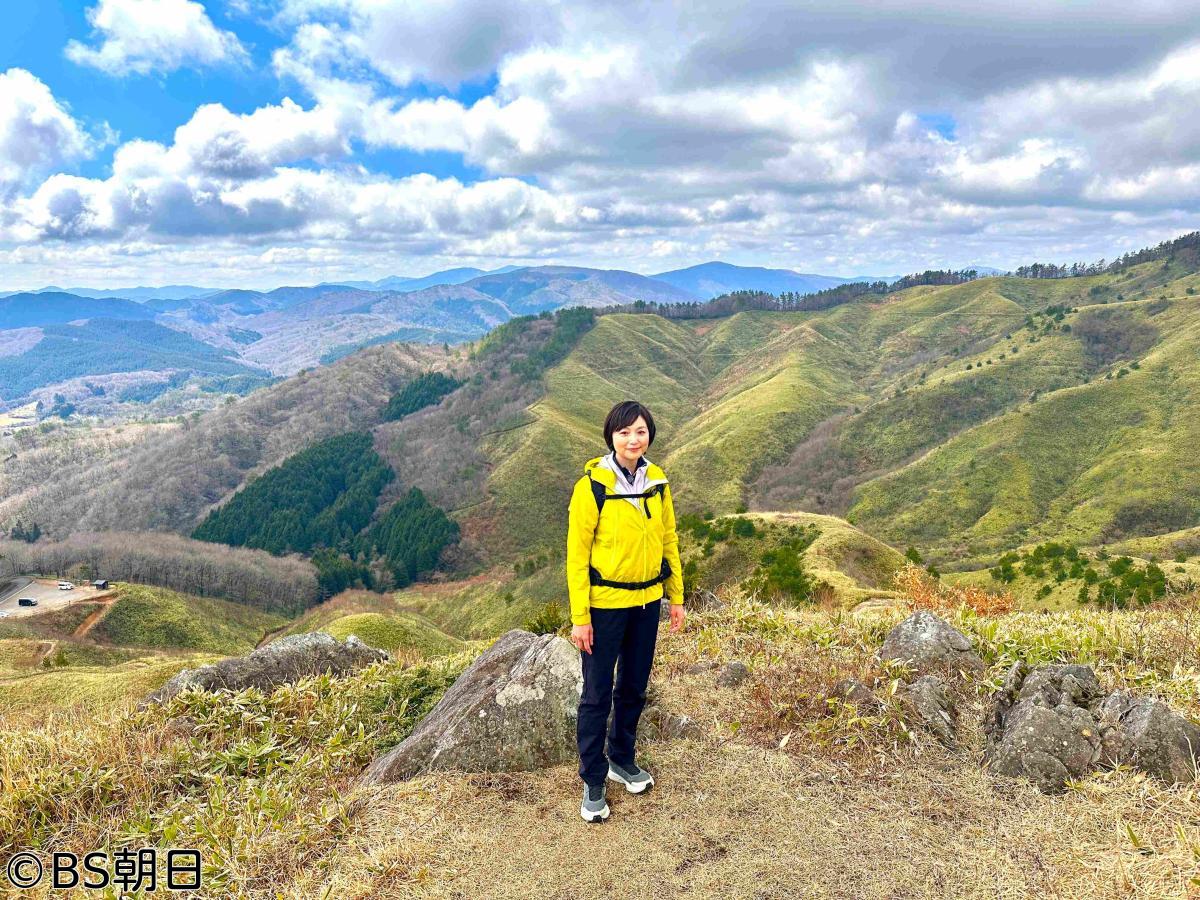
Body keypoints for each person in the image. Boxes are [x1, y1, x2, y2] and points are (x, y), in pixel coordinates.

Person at [565, 399, 685, 823]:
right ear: (611, 437)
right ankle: (594, 779)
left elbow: (669, 540)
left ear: (649, 434)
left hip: (647, 602)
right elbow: (576, 558)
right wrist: (581, 617)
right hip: (604, 607)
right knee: (596, 694)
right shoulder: (593, 487)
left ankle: (621, 757)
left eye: (640, 431)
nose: (633, 439)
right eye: (624, 432)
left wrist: (676, 596)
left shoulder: (657, 482)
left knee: (634, 685)